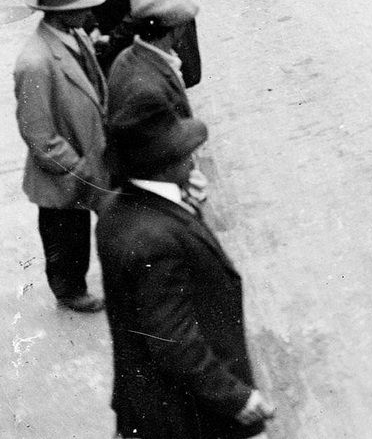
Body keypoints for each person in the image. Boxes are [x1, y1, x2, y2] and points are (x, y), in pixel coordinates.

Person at [97, 108, 276, 438]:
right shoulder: (156, 240)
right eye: (183, 152)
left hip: (146, 403)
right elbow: (174, 340)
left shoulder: (115, 211)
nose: (193, 157)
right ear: (163, 165)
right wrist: (237, 399)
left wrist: (186, 208)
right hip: (187, 414)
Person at [13, 0, 109, 313]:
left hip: (85, 159)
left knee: (77, 229)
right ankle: (69, 291)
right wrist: (79, 167)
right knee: (65, 235)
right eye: (84, 7)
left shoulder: (76, 35)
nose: (91, 11)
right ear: (64, 13)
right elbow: (39, 136)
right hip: (63, 174)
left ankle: (73, 284)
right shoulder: (35, 63)